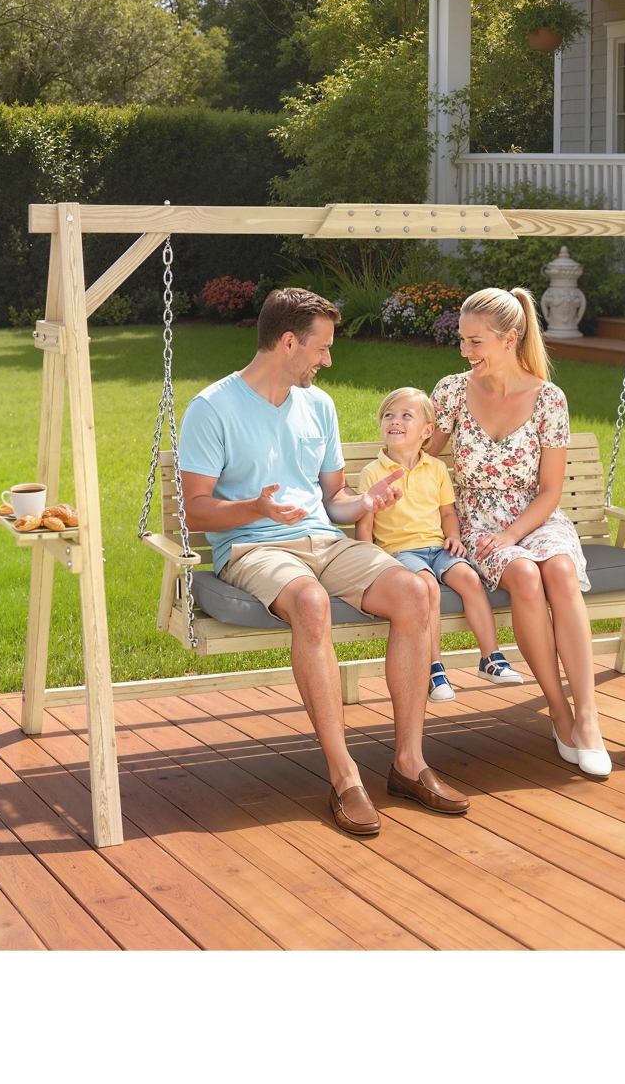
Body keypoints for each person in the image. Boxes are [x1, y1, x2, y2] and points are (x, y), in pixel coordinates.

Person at [178, 287, 470, 837]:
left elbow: (333, 503)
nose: (328, 359)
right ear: (288, 342)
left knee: (412, 591)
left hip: (321, 541)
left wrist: (366, 503)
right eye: (321, 348)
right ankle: (345, 777)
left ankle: (409, 764)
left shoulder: (320, 405)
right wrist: (254, 508)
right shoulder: (212, 409)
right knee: (312, 604)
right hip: (252, 547)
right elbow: (196, 511)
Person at [428, 286, 612, 777]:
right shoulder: (450, 391)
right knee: (526, 578)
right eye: (462, 342)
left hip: (535, 516)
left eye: (475, 342)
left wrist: (514, 533)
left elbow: (550, 490)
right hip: (477, 522)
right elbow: (420, 459)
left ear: (510, 338)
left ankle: (588, 717)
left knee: (560, 570)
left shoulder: (549, 399)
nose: (465, 353)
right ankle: (559, 709)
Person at [355, 387, 524, 703]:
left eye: (407, 416)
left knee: (470, 579)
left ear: (427, 431)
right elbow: (363, 524)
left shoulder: (435, 469)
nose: (395, 421)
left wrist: (454, 537)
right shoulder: (373, 473)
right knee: (428, 587)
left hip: (438, 548)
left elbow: (448, 512)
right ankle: (434, 669)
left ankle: (491, 658)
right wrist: (370, 563)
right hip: (399, 552)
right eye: (388, 415)